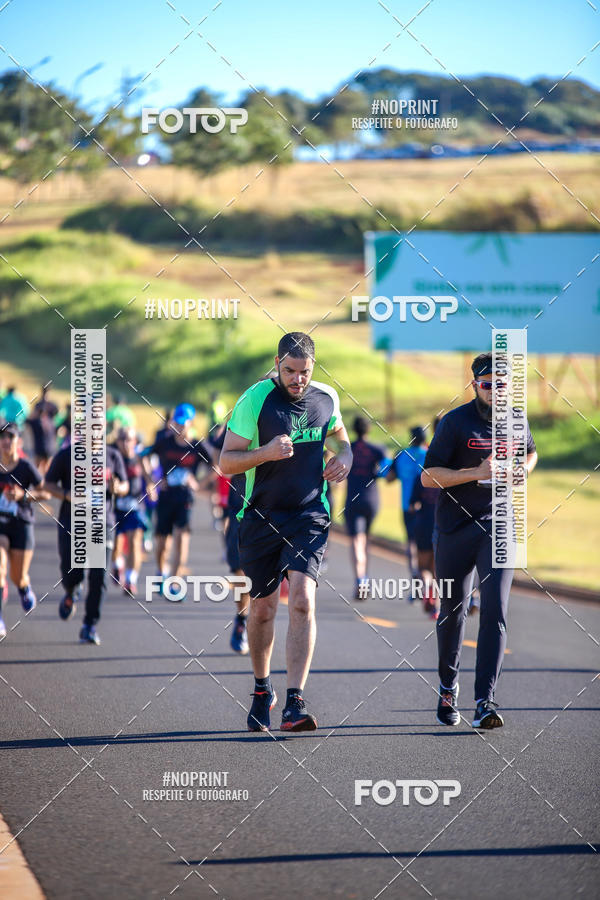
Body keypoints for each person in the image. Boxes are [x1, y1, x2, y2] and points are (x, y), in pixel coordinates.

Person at [220, 332, 352, 733]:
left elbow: (341, 442)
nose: (298, 380)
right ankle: (263, 689)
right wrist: (265, 453)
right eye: (290, 371)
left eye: (305, 372)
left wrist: (344, 457)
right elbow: (226, 462)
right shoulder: (255, 400)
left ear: (314, 367)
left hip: (309, 514)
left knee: (302, 602)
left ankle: (295, 702)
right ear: (277, 363)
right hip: (260, 516)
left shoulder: (326, 398)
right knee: (262, 610)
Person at [422, 352, 538, 729]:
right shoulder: (455, 422)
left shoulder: (516, 419)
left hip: (500, 524)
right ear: (475, 385)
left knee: (496, 611)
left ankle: (484, 701)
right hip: (455, 527)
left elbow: (532, 453)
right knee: (453, 613)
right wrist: (476, 472)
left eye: (503, 384)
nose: (496, 391)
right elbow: (428, 477)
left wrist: (523, 469)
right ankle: (447, 686)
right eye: (488, 385)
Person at [45, 435, 129, 644]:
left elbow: (125, 485)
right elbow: (47, 484)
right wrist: (67, 494)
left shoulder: (112, 455)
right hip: (72, 522)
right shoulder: (67, 455)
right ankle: (72, 590)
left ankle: (89, 625)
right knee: (71, 570)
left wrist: (117, 488)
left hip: (103, 522)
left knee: (99, 575)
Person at [141, 404, 212, 599]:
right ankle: (160, 571)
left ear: (191, 423)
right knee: (162, 543)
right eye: (176, 423)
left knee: (182, 538)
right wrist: (151, 482)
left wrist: (198, 484)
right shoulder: (164, 442)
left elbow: (216, 466)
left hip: (185, 498)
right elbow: (143, 457)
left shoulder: (197, 446)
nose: (179, 428)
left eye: (183, 424)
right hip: (165, 497)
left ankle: (174, 582)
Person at [0, 422, 48, 638]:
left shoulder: (26, 467)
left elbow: (45, 492)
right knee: (0, 570)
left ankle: (23, 588)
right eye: (2, 437)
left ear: (18, 442)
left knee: (18, 576)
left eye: (10, 437)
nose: (6, 441)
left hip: (21, 524)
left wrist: (24, 495)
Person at [211, 425, 250, 654]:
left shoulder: (282, 418)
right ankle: (242, 620)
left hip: (273, 507)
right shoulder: (238, 422)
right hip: (239, 505)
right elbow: (218, 453)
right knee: (239, 568)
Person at [343, 416, 386, 600]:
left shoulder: (348, 448)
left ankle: (360, 579)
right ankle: (365, 578)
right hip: (372, 499)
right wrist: (376, 473)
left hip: (353, 499)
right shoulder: (377, 449)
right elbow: (386, 470)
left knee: (356, 541)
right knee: (366, 540)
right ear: (368, 430)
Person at [111, 426, 156, 597]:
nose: (126, 443)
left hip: (135, 505)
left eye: (129, 439)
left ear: (135, 441)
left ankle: (131, 579)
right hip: (116, 506)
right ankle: (117, 564)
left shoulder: (139, 457)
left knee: (135, 541)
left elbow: (148, 477)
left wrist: (152, 488)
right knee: (116, 544)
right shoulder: (114, 457)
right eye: (122, 439)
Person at [387, 426, 429, 590]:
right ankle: (428, 579)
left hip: (407, 506)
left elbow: (389, 478)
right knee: (428, 545)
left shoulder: (401, 455)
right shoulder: (429, 454)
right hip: (427, 506)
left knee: (411, 542)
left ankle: (415, 576)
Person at [26, 386, 58, 475]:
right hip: (42, 444)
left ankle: (44, 482)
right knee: (39, 466)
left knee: (46, 467)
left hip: (48, 444)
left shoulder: (50, 407)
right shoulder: (40, 406)